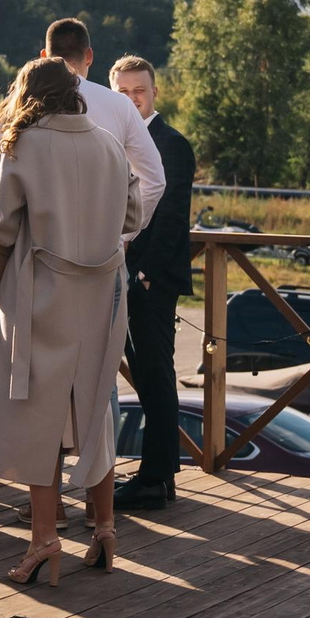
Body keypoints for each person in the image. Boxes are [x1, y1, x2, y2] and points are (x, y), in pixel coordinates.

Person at [0, 58, 137, 585]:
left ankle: (45, 539)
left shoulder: (25, 145)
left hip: (42, 289)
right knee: (94, 409)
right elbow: (132, 216)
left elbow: (0, 225)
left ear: (29, 94)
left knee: (37, 413)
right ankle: (105, 529)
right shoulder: (110, 142)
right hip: (103, 294)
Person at [111, 55, 196, 511]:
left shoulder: (172, 143)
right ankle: (159, 473)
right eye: (121, 92)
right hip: (119, 275)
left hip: (150, 281)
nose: (130, 99)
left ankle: (155, 478)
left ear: (154, 93)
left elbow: (172, 220)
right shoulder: (114, 141)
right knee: (143, 377)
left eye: (137, 91)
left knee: (157, 376)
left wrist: (143, 275)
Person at [42, 19, 163, 233]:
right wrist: (124, 233)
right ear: (89, 56)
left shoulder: (16, 105)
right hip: (103, 248)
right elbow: (154, 181)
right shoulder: (119, 105)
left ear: (44, 56)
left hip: (37, 245)